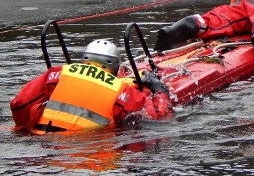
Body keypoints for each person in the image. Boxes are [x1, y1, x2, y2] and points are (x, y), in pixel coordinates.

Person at [10, 39, 171, 134]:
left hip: (42, 141)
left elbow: (19, 103)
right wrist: (159, 90)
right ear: (116, 66)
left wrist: (24, 131)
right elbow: (156, 117)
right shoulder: (120, 90)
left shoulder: (59, 73)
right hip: (87, 148)